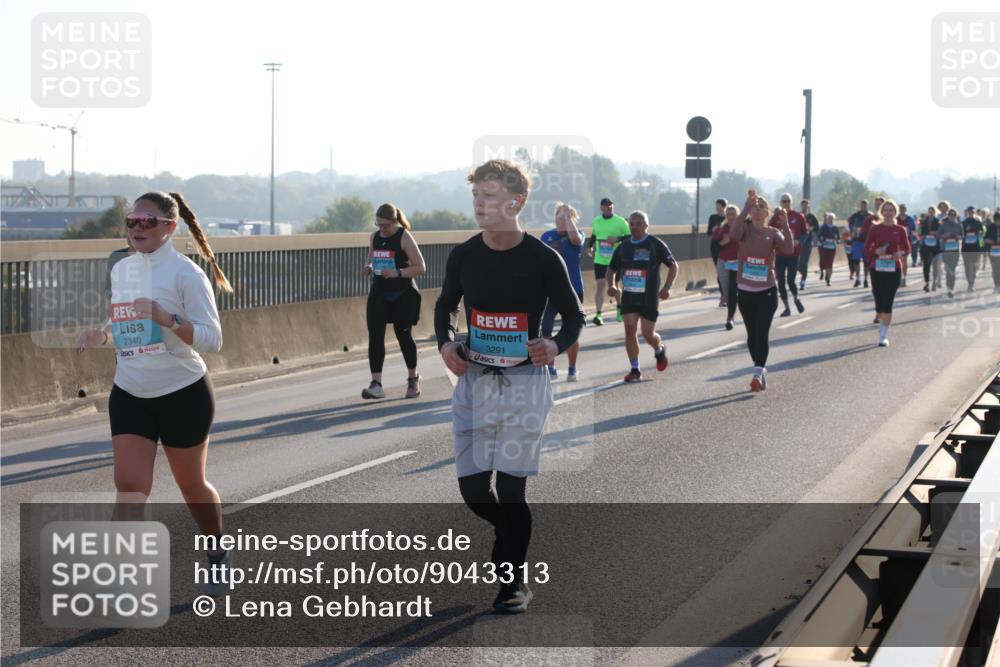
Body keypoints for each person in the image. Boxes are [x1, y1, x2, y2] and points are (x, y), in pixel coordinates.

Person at [435, 160, 585, 614]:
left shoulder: (542, 258)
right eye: (476, 195)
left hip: (524, 385)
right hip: (474, 382)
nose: (479, 203)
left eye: (489, 195)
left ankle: (512, 584)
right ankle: (508, 534)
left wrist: (554, 344)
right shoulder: (464, 255)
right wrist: (446, 343)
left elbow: (574, 315)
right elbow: (445, 306)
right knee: (474, 491)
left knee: (512, 488)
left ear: (515, 202)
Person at [75, 191, 233, 596]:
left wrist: (170, 319)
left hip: (182, 392)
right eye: (132, 221)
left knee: (192, 486)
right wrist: (100, 335)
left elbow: (213, 339)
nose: (137, 228)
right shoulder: (123, 270)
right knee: (130, 486)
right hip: (130, 391)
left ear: (170, 227)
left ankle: (217, 553)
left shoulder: (186, 274)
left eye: (148, 221)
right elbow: (124, 323)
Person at [728, 191, 794, 392]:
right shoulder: (745, 229)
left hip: (767, 291)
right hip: (745, 291)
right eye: (755, 207)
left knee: (762, 333)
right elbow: (733, 234)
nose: (757, 210)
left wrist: (786, 226)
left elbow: (788, 249)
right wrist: (745, 208)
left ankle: (757, 373)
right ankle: (759, 369)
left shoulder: (773, 232)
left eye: (761, 207)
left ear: (767, 212)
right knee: (752, 337)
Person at [362, 203, 427, 399]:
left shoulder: (404, 237)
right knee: (375, 337)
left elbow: (420, 267)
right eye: (379, 224)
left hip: (402, 293)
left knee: (403, 335)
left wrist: (398, 272)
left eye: (386, 225)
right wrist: (368, 267)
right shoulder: (375, 237)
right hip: (380, 292)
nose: (382, 229)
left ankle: (413, 378)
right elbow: (371, 258)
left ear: (394, 222)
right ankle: (376, 384)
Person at [606, 211, 678, 382]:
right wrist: (612, 285)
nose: (635, 227)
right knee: (630, 330)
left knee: (647, 334)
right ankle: (635, 369)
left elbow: (673, 266)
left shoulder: (654, 243)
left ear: (646, 225)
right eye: (632, 224)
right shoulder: (623, 246)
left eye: (639, 224)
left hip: (649, 297)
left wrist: (667, 287)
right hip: (629, 296)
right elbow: (611, 270)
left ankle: (659, 349)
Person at [541, 202, 585, 381]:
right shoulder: (547, 236)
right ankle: (550, 367)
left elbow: (575, 240)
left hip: (573, 289)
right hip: (550, 291)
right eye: (558, 217)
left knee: (571, 330)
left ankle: (572, 368)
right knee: (546, 328)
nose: (560, 221)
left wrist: (568, 218)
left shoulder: (578, 234)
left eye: (565, 218)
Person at [864, 199, 911, 347]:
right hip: (877, 268)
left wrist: (899, 253)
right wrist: (876, 251)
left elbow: (907, 249)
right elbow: (866, 249)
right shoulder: (875, 229)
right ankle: (880, 316)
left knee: (888, 301)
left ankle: (883, 334)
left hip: (894, 268)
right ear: (882, 212)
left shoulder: (900, 229)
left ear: (895, 212)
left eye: (891, 210)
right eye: (886, 210)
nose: (888, 212)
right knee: (879, 302)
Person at [585, 198, 629, 325]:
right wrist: (590, 247)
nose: (608, 208)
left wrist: (617, 239)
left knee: (614, 286)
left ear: (613, 207)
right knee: (600, 286)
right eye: (606, 206)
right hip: (600, 259)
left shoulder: (621, 221)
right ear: (601, 208)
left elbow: (629, 236)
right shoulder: (596, 221)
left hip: (616, 259)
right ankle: (598, 315)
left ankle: (619, 310)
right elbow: (594, 235)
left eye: (610, 207)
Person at [771, 193, 806, 316]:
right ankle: (786, 308)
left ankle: (796, 298)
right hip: (780, 254)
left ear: (791, 202)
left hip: (794, 254)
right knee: (781, 281)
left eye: (788, 201)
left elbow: (805, 233)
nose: (786, 203)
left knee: (791, 280)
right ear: (780, 203)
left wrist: (798, 241)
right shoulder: (775, 218)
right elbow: (769, 233)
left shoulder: (798, 216)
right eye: (784, 201)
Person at [713, 204, 741, 329]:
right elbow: (714, 248)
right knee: (726, 290)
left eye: (733, 214)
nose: (731, 217)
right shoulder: (721, 229)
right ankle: (731, 311)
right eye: (728, 214)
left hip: (738, 262)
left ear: (738, 216)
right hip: (724, 262)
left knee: (733, 290)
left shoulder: (743, 228)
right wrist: (723, 243)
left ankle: (730, 317)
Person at [938, 208, 964, 298]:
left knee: (952, 269)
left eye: (954, 215)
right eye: (950, 215)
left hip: (955, 250)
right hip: (946, 250)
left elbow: (962, 236)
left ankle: (951, 288)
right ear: (948, 216)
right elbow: (938, 235)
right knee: (948, 269)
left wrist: (959, 237)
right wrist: (944, 235)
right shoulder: (943, 225)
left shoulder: (959, 225)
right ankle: (949, 288)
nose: (952, 217)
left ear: (956, 216)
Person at [707, 199, 727, 306]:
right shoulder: (713, 217)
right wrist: (713, 230)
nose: (717, 207)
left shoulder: (729, 217)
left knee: (731, 272)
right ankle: (723, 295)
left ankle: (730, 294)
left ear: (724, 206)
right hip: (716, 247)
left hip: (728, 246)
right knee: (720, 271)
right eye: (716, 205)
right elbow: (708, 232)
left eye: (719, 205)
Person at [960, 205, 986, 293]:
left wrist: (980, 234)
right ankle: (969, 282)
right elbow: (960, 233)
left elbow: (983, 232)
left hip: (975, 247)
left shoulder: (978, 222)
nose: (971, 213)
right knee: (967, 266)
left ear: (974, 213)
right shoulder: (963, 223)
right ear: (967, 212)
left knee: (973, 265)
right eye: (970, 212)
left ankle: (972, 284)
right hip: (966, 247)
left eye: (973, 212)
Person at [918, 206, 942, 292]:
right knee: (926, 264)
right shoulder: (923, 221)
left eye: (932, 212)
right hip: (926, 245)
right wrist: (921, 233)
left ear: (935, 212)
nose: (931, 213)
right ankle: (927, 283)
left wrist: (935, 233)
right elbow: (919, 232)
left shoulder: (938, 221)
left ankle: (934, 281)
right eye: (929, 211)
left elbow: (941, 233)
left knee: (935, 265)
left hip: (936, 245)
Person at [847, 200, 870, 287]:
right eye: (862, 205)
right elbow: (850, 225)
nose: (863, 207)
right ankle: (858, 278)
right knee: (856, 261)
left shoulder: (870, 216)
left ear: (867, 206)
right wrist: (853, 232)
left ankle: (866, 279)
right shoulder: (855, 216)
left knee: (866, 262)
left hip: (867, 242)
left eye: (865, 205)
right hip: (857, 241)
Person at [798, 199, 819, 291]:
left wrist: (811, 228)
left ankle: (803, 281)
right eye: (803, 205)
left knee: (804, 262)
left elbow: (817, 228)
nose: (804, 207)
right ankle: (802, 273)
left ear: (808, 206)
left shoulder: (811, 217)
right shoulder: (798, 216)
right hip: (798, 242)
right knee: (798, 263)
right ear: (801, 206)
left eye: (806, 205)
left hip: (808, 242)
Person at [816, 213, 840, 286]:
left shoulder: (835, 228)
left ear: (834, 219)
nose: (830, 220)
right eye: (829, 219)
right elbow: (819, 236)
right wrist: (822, 240)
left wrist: (837, 240)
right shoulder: (823, 227)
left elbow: (838, 238)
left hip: (832, 247)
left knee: (830, 263)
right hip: (825, 247)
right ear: (827, 219)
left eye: (832, 219)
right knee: (825, 262)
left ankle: (828, 279)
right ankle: (825, 273)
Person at [896, 203, 916, 285]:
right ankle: (898, 277)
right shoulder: (895, 218)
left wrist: (914, 238)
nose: (902, 210)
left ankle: (904, 277)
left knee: (904, 260)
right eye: (901, 208)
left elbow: (913, 229)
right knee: (898, 260)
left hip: (906, 241)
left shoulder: (910, 219)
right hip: (897, 242)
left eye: (903, 208)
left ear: (906, 209)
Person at [986, 211, 1000, 294]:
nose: (998, 221)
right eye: (997, 220)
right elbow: (985, 238)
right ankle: (996, 285)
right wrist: (988, 240)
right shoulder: (990, 227)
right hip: (993, 251)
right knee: (995, 269)